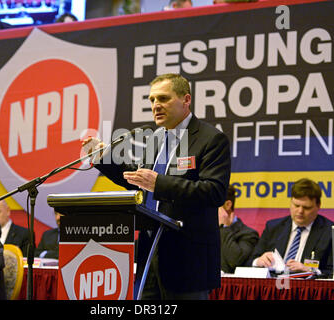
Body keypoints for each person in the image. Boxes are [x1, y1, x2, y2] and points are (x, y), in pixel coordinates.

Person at [82, 73, 231, 299]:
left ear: (186, 100)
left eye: (163, 98)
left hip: (187, 261)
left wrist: (159, 183)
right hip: (149, 256)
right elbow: (138, 180)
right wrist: (104, 158)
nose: (155, 105)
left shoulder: (211, 139)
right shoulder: (156, 138)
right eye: (152, 100)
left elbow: (214, 191)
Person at [248, 178, 334, 277]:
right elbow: (250, 261)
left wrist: (310, 271)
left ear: (318, 206)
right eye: (296, 205)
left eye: (306, 207)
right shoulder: (273, 227)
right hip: (273, 286)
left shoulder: (330, 232)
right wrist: (259, 261)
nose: (300, 211)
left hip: (308, 288)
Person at [219, 185, 259, 273]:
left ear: (228, 205)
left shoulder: (248, 234)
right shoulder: (203, 231)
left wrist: (225, 227)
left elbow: (235, 262)